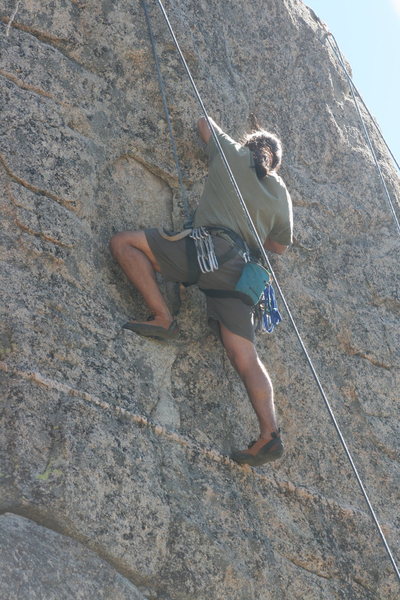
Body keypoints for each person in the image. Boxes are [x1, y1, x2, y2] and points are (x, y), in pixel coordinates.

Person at [110, 117, 293, 466]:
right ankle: (269, 434)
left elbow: (203, 123)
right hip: (240, 276)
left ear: (251, 145)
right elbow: (279, 246)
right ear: (274, 162)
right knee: (246, 358)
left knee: (123, 244)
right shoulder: (280, 191)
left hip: (206, 251)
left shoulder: (233, 152)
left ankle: (163, 317)